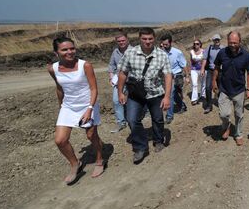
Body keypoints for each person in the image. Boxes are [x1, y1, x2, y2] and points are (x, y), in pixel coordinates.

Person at [47, 36, 104, 184]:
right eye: (64, 49)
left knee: (91, 136)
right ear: (56, 52)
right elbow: (59, 88)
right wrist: (61, 106)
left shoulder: (85, 65)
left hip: (87, 104)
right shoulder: (52, 68)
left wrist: (90, 109)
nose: (69, 52)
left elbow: (93, 88)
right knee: (60, 140)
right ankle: (75, 164)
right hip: (68, 106)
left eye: (72, 48)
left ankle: (99, 160)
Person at [117, 27, 172, 164]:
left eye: (150, 39)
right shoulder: (130, 53)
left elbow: (168, 76)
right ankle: (140, 147)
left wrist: (167, 97)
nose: (147, 42)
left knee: (158, 119)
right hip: (135, 94)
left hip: (155, 93)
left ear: (154, 39)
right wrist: (120, 92)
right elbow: (123, 73)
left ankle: (158, 140)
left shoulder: (162, 55)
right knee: (131, 119)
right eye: (144, 39)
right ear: (139, 39)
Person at [212, 31, 249, 146]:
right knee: (223, 114)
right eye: (230, 42)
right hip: (224, 89)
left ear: (240, 42)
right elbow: (216, 68)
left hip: (239, 90)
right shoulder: (222, 53)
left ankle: (238, 134)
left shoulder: (246, 55)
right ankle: (226, 126)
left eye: (235, 43)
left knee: (239, 114)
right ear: (227, 41)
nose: (233, 45)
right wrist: (213, 82)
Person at [161, 34, 190, 124]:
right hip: (166, 76)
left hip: (176, 76)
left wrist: (187, 76)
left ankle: (169, 116)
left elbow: (184, 65)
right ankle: (182, 106)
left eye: (166, 44)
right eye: (163, 44)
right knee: (174, 94)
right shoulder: (161, 52)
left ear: (171, 43)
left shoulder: (177, 52)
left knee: (170, 94)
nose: (165, 46)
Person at [108, 31, 133, 133]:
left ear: (127, 40)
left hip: (132, 81)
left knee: (132, 101)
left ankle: (133, 119)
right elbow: (111, 66)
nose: (121, 42)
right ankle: (121, 122)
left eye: (123, 40)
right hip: (119, 81)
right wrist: (111, 78)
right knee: (116, 100)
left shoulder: (134, 51)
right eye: (119, 41)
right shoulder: (115, 52)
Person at [200, 34, 224, 114]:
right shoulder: (209, 48)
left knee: (221, 88)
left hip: (220, 71)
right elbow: (204, 59)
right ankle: (209, 105)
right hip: (211, 71)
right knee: (207, 87)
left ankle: (222, 104)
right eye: (215, 40)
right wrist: (203, 68)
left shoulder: (223, 48)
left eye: (218, 39)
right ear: (213, 40)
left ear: (220, 40)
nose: (217, 41)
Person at [189, 39, 206, 106]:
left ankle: (202, 95)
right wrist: (190, 69)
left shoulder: (203, 51)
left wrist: (204, 68)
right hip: (194, 69)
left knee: (203, 83)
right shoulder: (191, 51)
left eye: (197, 44)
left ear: (200, 44)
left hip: (202, 69)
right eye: (194, 44)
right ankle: (194, 99)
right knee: (195, 84)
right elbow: (190, 60)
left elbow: (205, 60)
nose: (196, 45)